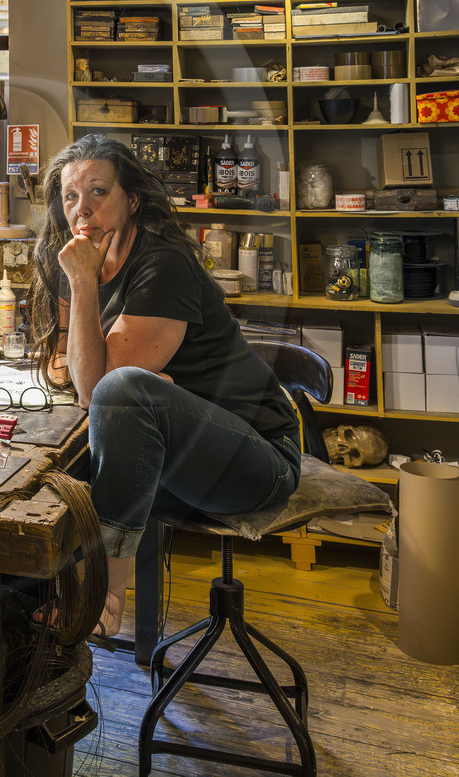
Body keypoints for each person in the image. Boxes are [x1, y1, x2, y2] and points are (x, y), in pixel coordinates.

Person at [28, 134, 301, 637]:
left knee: (122, 393)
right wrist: (114, 376)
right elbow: (62, 365)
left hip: (258, 460)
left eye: (97, 191)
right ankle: (21, 612)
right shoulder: (73, 260)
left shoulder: (162, 264)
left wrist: (85, 292)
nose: (81, 209)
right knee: (38, 466)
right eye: (70, 196)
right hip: (174, 458)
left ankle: (107, 595)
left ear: (132, 199)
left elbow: (96, 390)